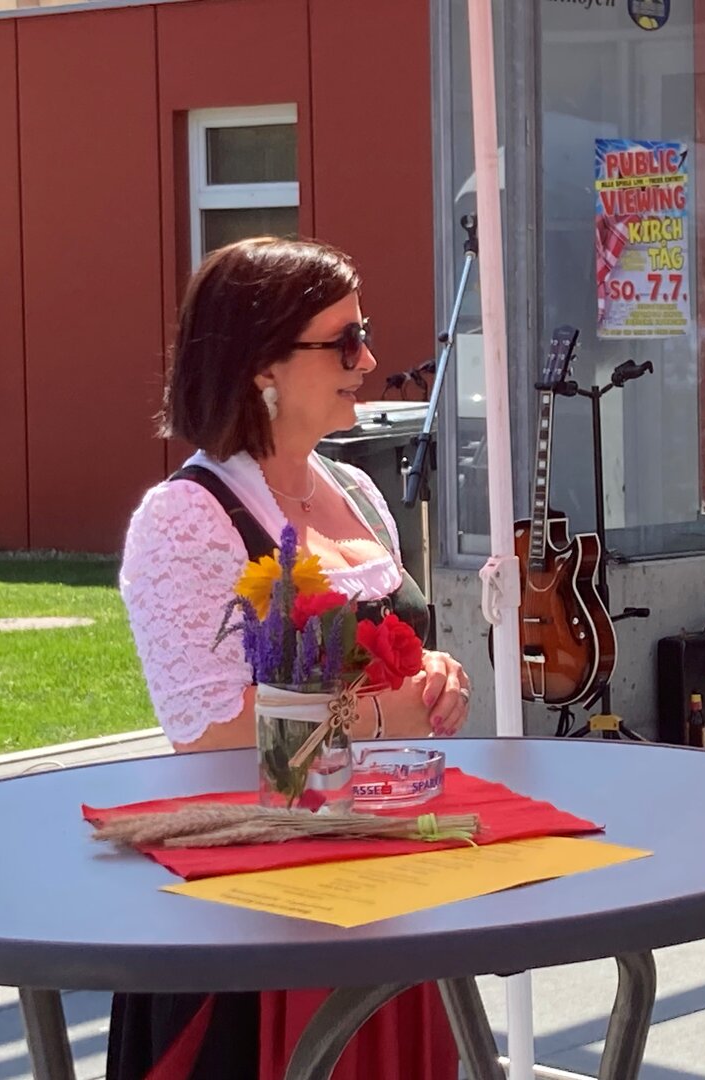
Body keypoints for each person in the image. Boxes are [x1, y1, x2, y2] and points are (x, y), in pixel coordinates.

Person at [114, 236, 470, 1079]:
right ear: (261, 363)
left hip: (390, 882)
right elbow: (208, 733)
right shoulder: (184, 518)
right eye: (344, 340)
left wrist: (438, 676)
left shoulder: (357, 493)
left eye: (366, 333)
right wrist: (387, 714)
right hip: (261, 918)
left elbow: (389, 658)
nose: (370, 359)